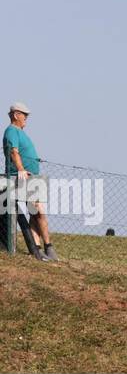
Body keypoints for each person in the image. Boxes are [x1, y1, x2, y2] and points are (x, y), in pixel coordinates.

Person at [4, 103, 54, 262]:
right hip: (23, 177)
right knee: (38, 211)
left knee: (35, 212)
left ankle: (42, 249)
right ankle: (44, 248)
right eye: (24, 114)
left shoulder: (21, 132)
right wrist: (21, 170)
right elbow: (13, 151)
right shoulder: (12, 131)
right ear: (15, 115)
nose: (26, 118)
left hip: (32, 177)